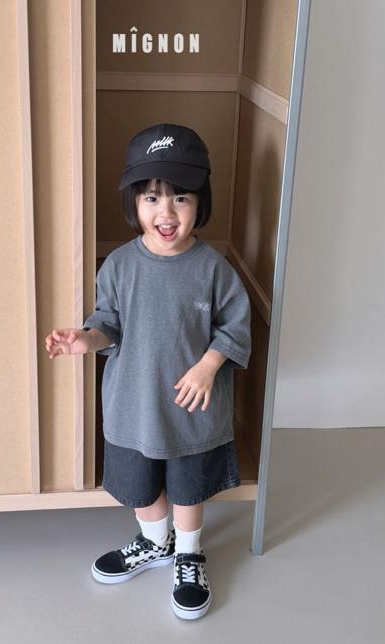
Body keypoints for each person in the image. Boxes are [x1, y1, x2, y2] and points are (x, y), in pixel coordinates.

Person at [45, 123, 251, 620]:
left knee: (188, 487)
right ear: (134, 203)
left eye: (181, 198)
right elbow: (107, 324)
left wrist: (208, 365)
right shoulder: (118, 266)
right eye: (152, 198)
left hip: (190, 411)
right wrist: (85, 339)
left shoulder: (214, 269)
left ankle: (189, 553)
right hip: (133, 405)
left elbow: (236, 326)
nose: (167, 213)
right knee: (141, 487)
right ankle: (157, 542)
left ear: (200, 202)